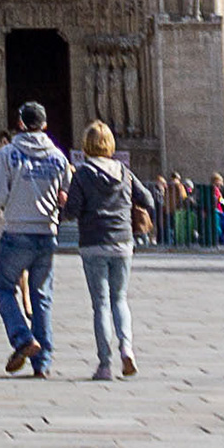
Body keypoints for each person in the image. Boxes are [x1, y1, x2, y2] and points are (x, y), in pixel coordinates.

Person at [0, 103, 71, 377]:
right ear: (45, 125)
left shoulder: (8, 153)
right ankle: (43, 363)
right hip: (47, 233)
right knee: (41, 297)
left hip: (17, 232)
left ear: (21, 124)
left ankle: (23, 338)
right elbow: (66, 196)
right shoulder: (59, 157)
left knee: (2, 287)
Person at [66, 118, 139, 379]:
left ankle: (105, 365)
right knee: (120, 300)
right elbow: (149, 198)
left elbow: (71, 211)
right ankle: (127, 349)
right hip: (122, 242)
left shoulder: (83, 173)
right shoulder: (124, 172)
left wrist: (66, 203)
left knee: (101, 305)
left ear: (86, 145)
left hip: (94, 243)